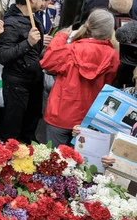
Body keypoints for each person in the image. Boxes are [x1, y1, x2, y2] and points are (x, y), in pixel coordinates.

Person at [41, 9, 119, 147]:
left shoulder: (72, 49)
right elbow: (108, 85)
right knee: (80, 164)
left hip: (60, 113)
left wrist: (60, 37)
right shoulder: (112, 55)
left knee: (52, 162)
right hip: (88, 117)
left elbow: (47, 62)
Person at [0, 0, 44, 144]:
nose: (42, 2)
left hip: (33, 81)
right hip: (17, 83)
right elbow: (3, 55)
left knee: (29, 126)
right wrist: (27, 43)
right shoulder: (11, 23)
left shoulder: (33, 19)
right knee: (12, 129)